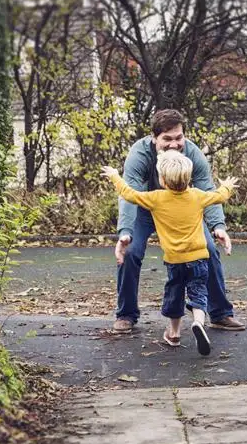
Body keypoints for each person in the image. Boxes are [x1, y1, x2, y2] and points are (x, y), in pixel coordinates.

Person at [111, 109, 245, 334]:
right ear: (154, 138)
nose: (174, 144)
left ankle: (220, 313)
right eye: (167, 139)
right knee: (131, 252)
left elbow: (207, 190)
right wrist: (125, 231)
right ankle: (126, 314)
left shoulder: (193, 153)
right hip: (145, 207)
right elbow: (129, 191)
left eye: (178, 138)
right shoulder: (139, 154)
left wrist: (218, 226)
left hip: (182, 208)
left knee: (209, 250)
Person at [102, 151, 238, 355]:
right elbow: (220, 196)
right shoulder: (197, 196)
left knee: (174, 294)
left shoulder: (156, 198)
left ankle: (174, 333)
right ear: (189, 178)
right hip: (199, 258)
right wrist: (227, 185)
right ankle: (199, 322)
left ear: (162, 180)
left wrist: (114, 176)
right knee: (199, 293)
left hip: (175, 261)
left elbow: (129, 193)